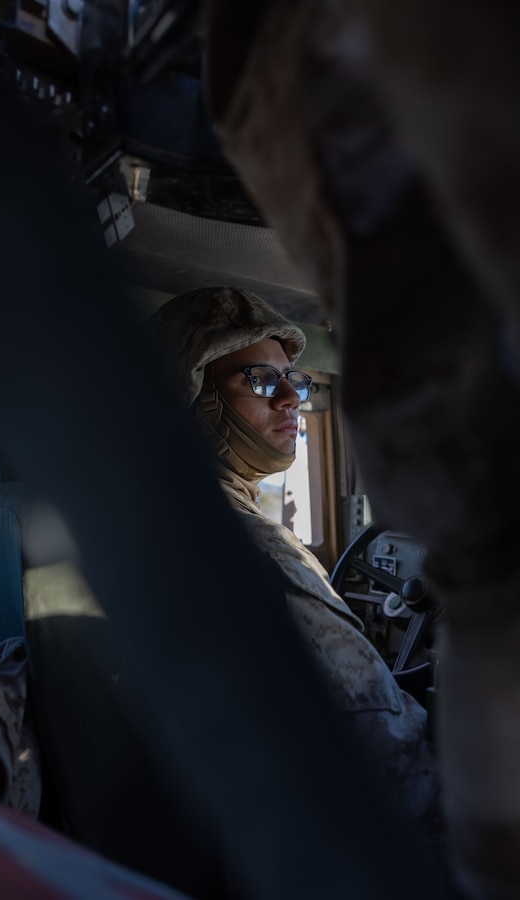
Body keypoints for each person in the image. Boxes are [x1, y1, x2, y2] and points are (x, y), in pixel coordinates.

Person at [148, 284, 444, 858]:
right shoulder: (249, 549)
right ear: (185, 396)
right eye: (260, 380)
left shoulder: (157, 517)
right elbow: (391, 758)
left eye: (297, 380)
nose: (292, 398)